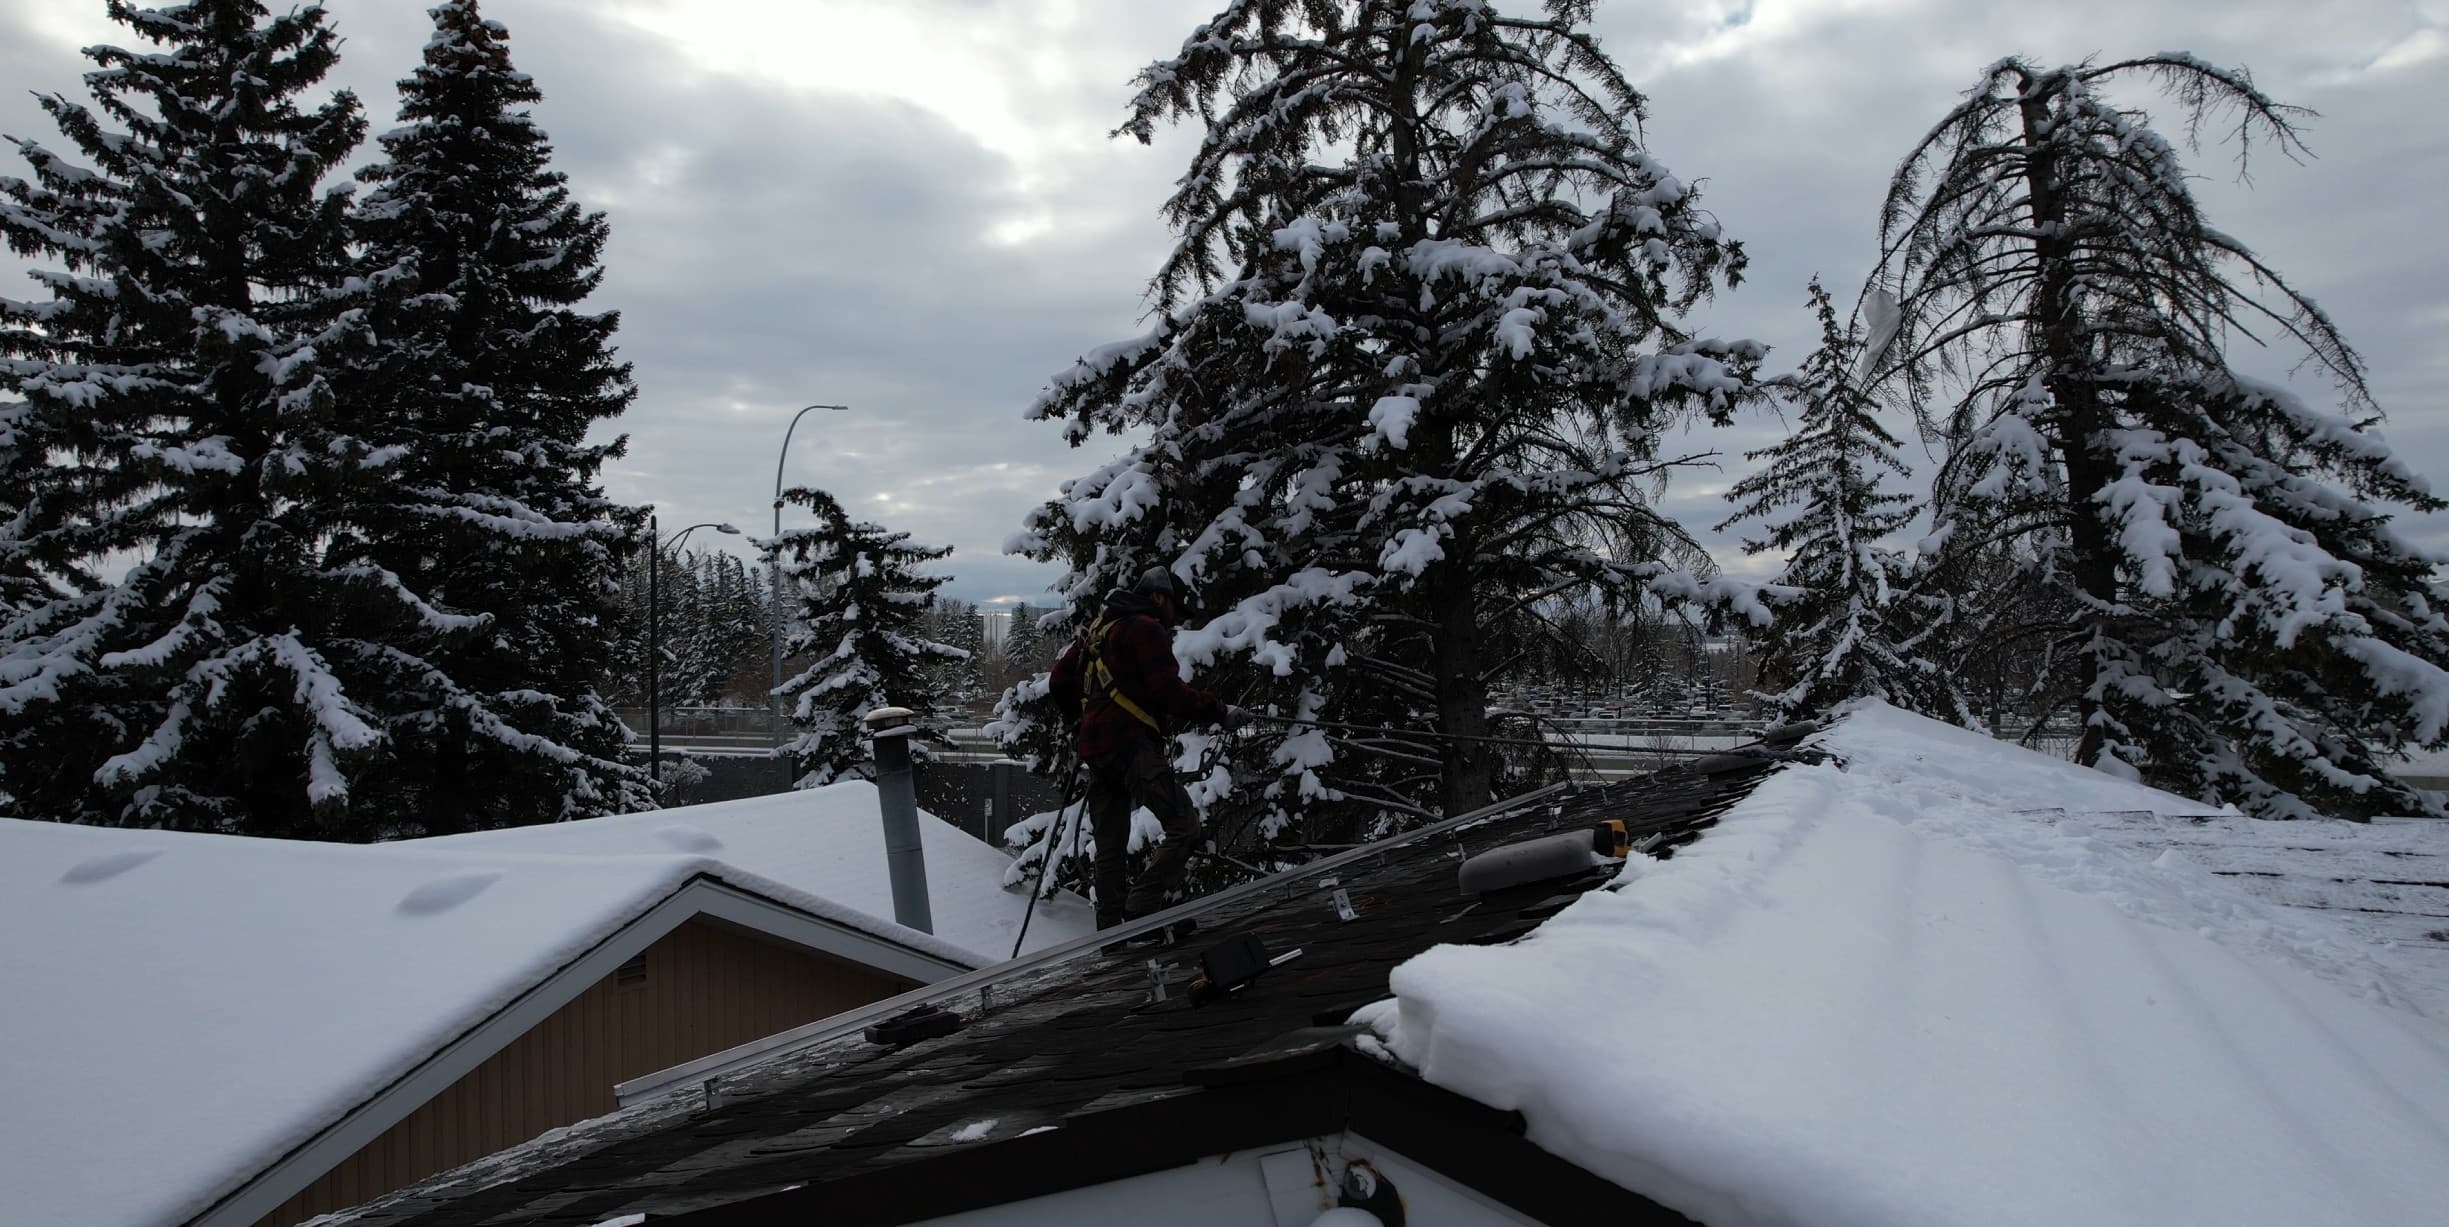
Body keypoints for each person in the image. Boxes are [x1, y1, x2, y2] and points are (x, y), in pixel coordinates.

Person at [1048, 566, 1247, 928]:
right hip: (1131, 746)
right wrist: (1219, 711)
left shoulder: (1099, 630)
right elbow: (1167, 692)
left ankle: (1112, 936)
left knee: (1109, 847)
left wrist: (1085, 718)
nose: (1174, 621)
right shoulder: (1145, 628)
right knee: (1184, 825)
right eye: (1174, 610)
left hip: (1098, 753)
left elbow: (1059, 680)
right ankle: (1141, 908)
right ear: (1159, 597)